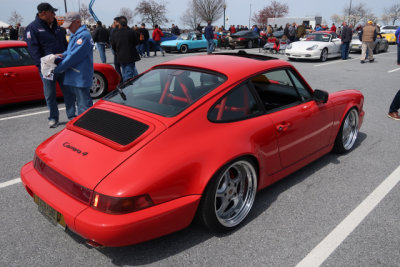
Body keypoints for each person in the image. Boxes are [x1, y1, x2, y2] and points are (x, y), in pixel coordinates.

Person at [25, 2, 75, 128]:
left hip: (62, 66)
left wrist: (67, 59)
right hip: (47, 69)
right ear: (43, 13)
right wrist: (42, 66)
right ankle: (53, 118)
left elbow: (65, 45)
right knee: (50, 95)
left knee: (69, 92)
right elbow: (33, 50)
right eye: (52, 12)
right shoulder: (33, 28)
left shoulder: (58, 28)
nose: (54, 14)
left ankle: (72, 116)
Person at [54, 12, 93, 116]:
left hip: (80, 76)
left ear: (78, 22)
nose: (68, 28)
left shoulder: (83, 36)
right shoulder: (76, 34)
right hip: (76, 75)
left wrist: (57, 68)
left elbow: (74, 56)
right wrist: (60, 56)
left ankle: (85, 126)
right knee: (81, 103)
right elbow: (70, 52)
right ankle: (83, 124)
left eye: (70, 25)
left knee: (84, 105)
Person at [112, 16, 140, 81]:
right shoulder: (131, 32)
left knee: (124, 71)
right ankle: (126, 86)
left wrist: (117, 51)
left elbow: (113, 45)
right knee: (128, 73)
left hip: (120, 55)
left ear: (119, 24)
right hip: (130, 55)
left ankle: (125, 84)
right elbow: (136, 42)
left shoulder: (115, 33)